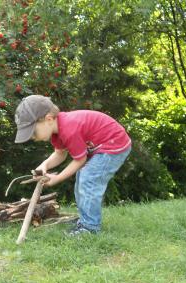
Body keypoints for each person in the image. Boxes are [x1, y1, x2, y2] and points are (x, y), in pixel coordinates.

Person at [14, 95, 131, 236]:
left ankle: (90, 227)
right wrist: (44, 165)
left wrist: (57, 179)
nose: (32, 137)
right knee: (82, 177)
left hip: (113, 144)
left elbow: (79, 160)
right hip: (101, 147)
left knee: (88, 179)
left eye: (32, 132)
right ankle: (85, 221)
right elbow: (60, 154)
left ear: (49, 119)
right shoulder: (57, 132)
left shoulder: (69, 128)